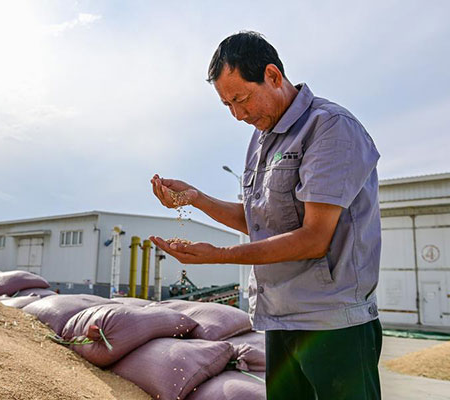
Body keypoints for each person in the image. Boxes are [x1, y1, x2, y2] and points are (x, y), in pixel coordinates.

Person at [150, 31, 382, 400]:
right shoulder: (262, 139)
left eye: (241, 99)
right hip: (280, 318)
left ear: (273, 76)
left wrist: (221, 256)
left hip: (332, 324)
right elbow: (260, 220)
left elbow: (313, 238)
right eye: (227, 105)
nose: (238, 114)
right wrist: (197, 199)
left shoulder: (330, 127)